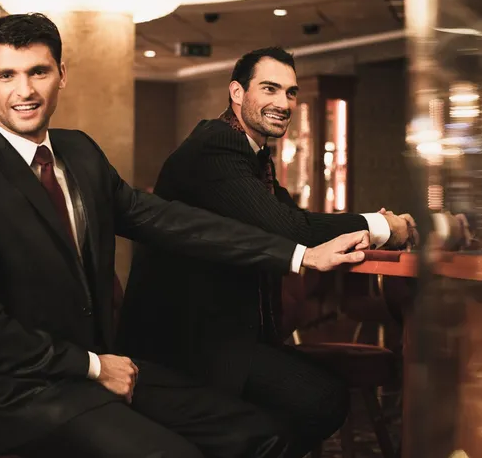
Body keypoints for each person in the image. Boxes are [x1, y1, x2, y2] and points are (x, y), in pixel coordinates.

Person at [0, 19, 370, 458]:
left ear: (61, 74)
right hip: (25, 391)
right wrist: (94, 366)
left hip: (107, 368)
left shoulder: (79, 151)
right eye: (6, 75)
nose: (25, 91)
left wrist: (298, 254)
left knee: (260, 434)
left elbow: (173, 222)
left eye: (39, 71)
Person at [119, 46, 418, 458]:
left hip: (225, 332)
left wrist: (372, 225)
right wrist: (385, 226)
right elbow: (291, 229)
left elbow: (295, 218)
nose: (284, 103)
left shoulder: (254, 155)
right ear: (237, 92)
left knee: (315, 400)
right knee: (322, 400)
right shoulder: (217, 146)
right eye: (270, 89)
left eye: (291, 93)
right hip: (183, 342)